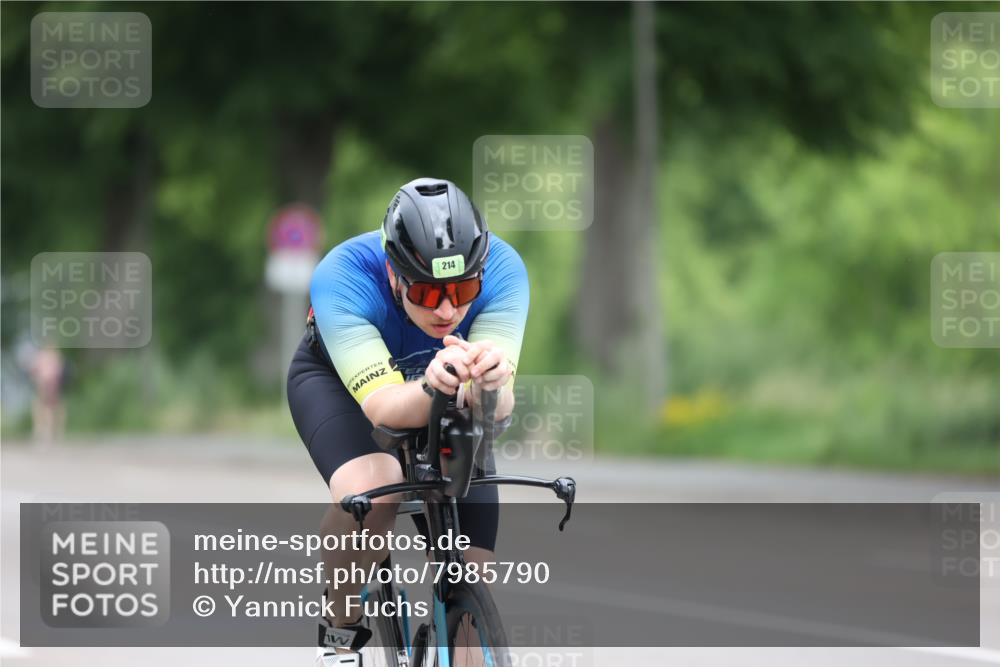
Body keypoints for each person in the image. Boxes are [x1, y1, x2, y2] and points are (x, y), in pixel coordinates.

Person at [287, 178, 529, 666]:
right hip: (343, 386)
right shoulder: (343, 275)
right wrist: (434, 386)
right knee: (379, 487)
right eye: (426, 292)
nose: (447, 309)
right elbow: (383, 409)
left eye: (463, 290)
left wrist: (490, 385)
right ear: (394, 274)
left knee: (470, 586)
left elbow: (498, 407)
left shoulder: (503, 268)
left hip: (441, 386)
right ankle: (339, 630)